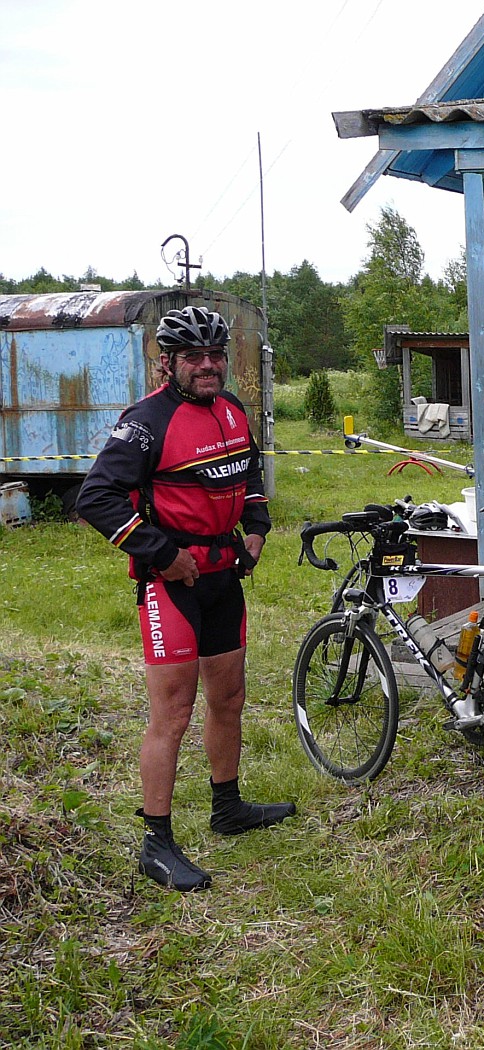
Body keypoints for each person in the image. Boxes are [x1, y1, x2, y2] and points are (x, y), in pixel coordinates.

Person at [76, 306, 295, 892]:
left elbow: (249, 476)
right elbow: (96, 497)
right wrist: (160, 553)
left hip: (224, 577)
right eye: (194, 357)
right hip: (170, 584)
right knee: (171, 714)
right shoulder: (146, 421)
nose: (208, 365)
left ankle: (228, 808)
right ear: (168, 362)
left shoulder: (232, 411)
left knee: (229, 699)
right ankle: (157, 843)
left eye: (216, 355)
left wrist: (257, 527)